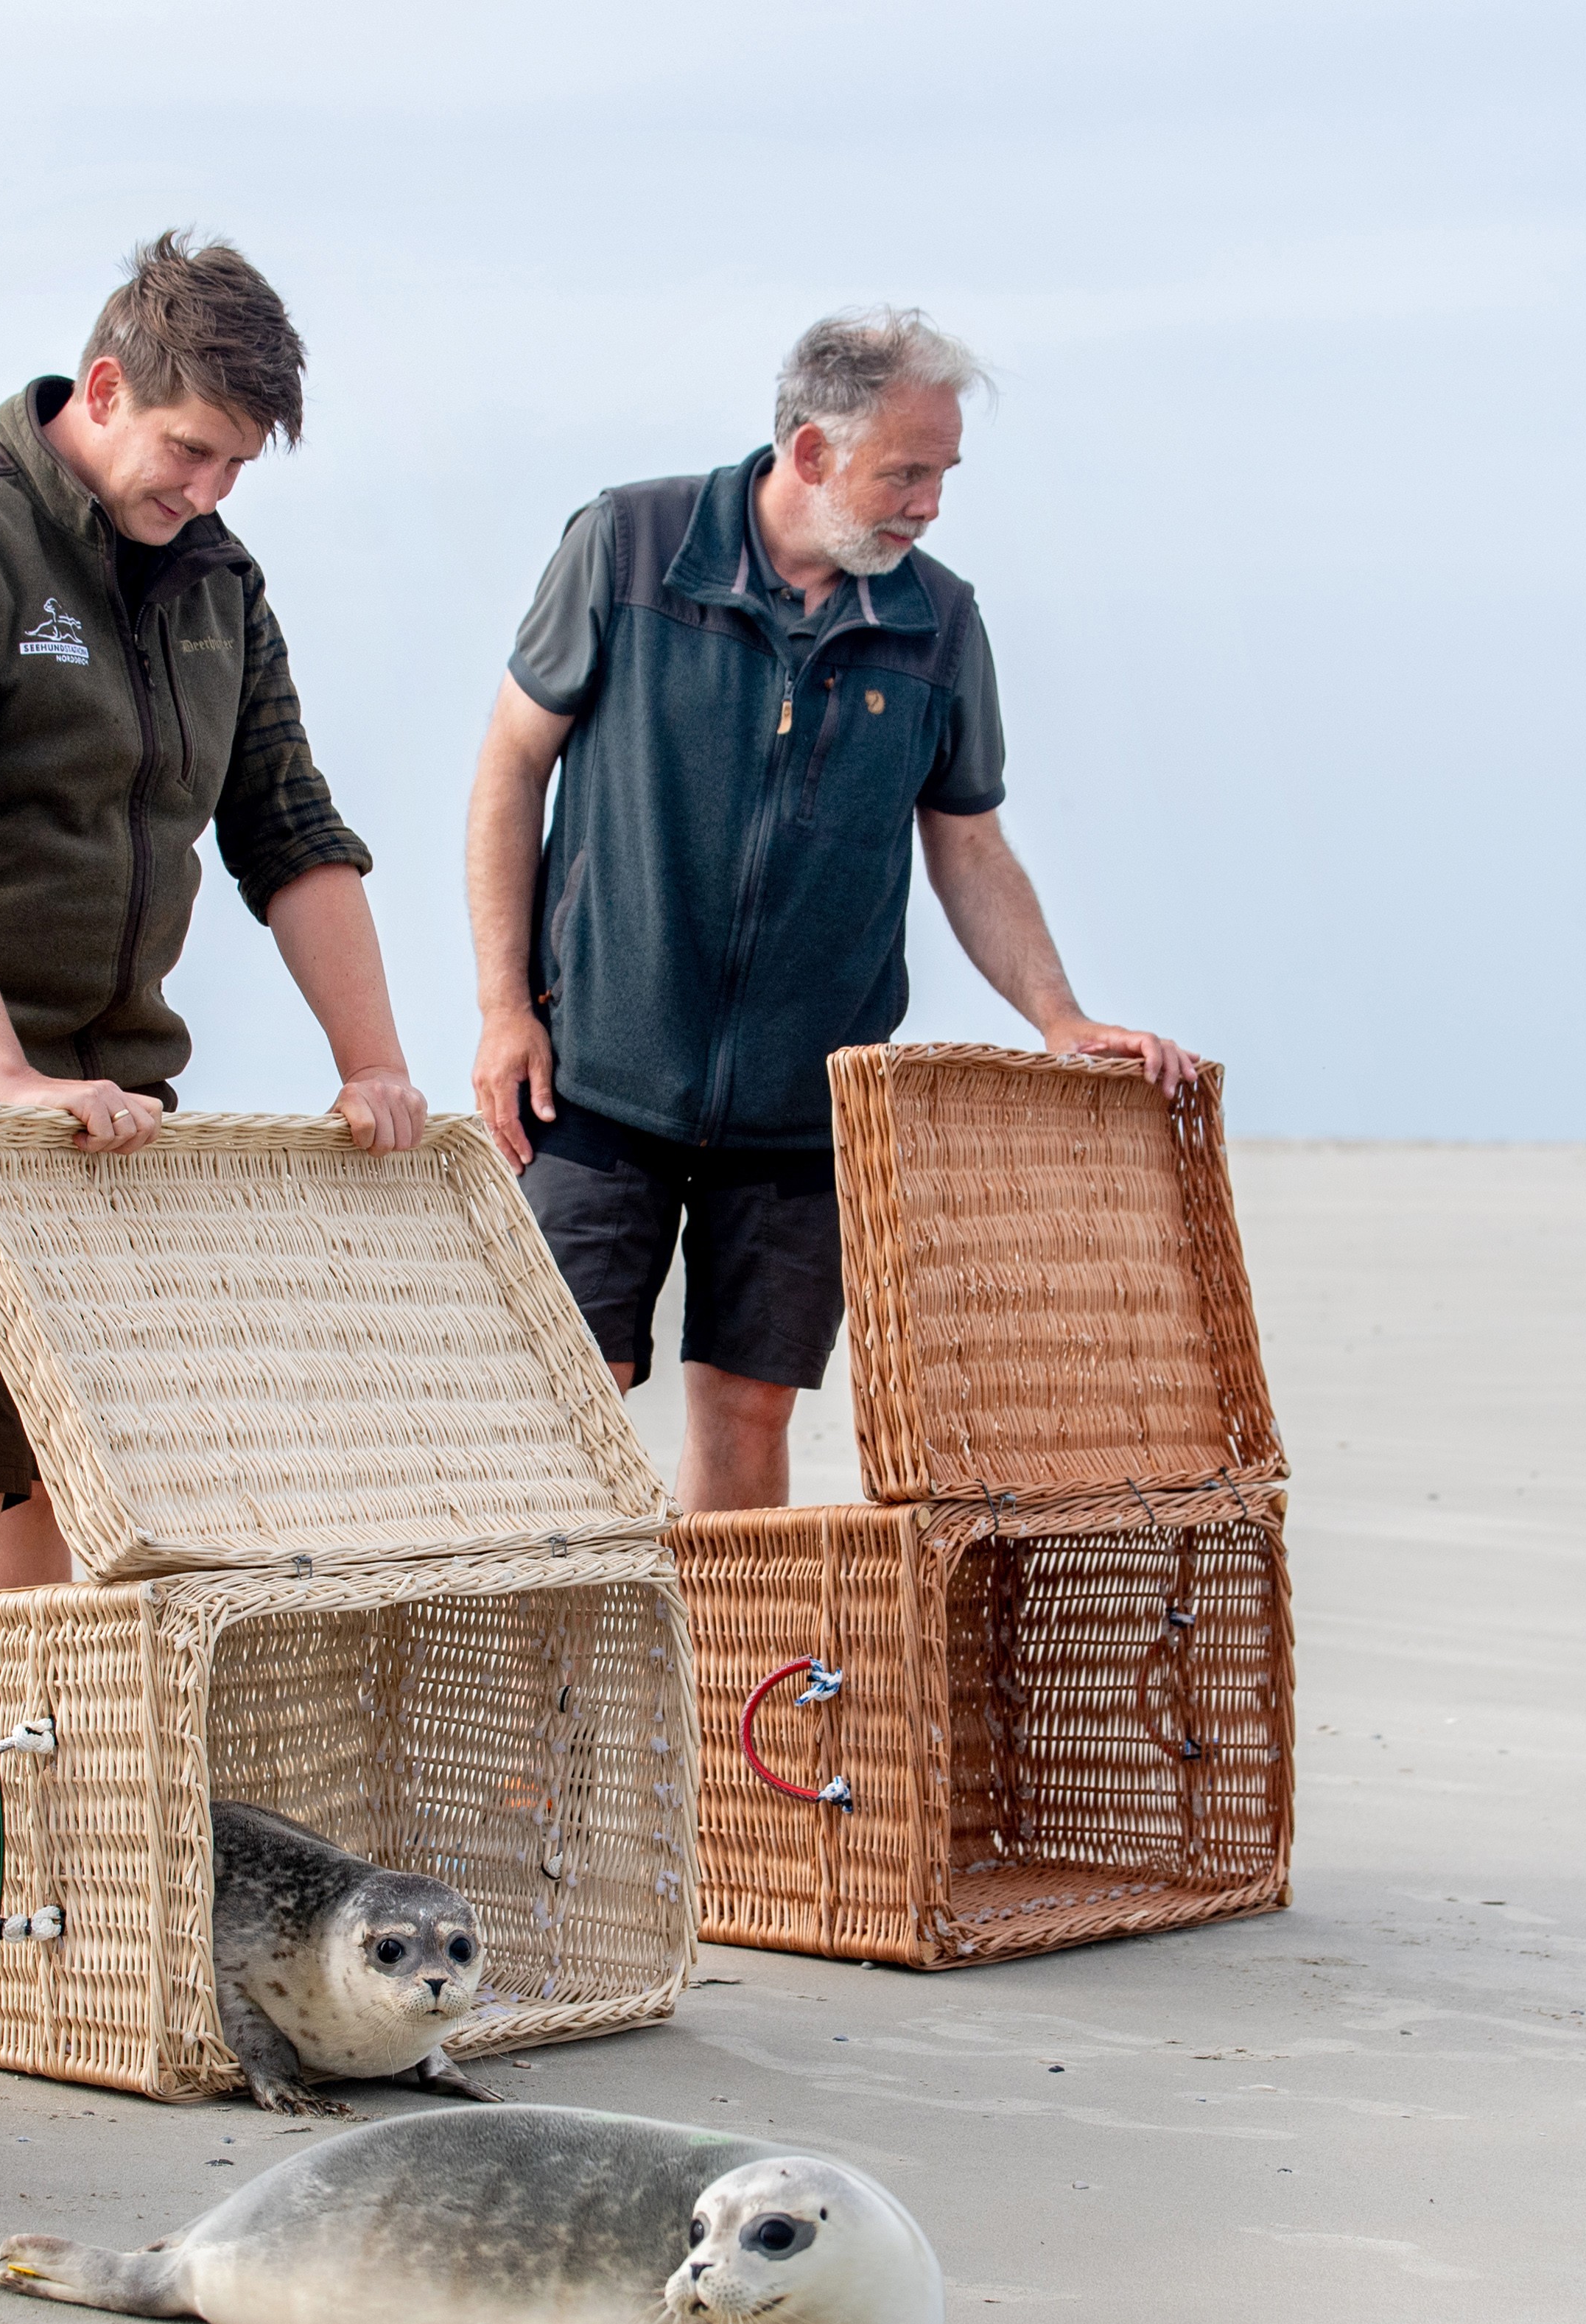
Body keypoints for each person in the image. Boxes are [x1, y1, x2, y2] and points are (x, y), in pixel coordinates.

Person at [0, 231, 424, 1601]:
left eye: (238, 465)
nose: (209, 490)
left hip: (114, 1089)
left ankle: (47, 1810)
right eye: (190, 450)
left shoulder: (217, 583)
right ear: (108, 384)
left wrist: (373, 1062)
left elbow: (290, 830)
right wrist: (5, 1077)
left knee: (77, 1493)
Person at [463, 308, 1185, 1512]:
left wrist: (1059, 1016)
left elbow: (970, 844)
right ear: (809, 452)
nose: (930, 504)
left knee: (747, 1408)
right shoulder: (630, 545)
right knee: (572, 1391)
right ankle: (567, 1693)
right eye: (906, 471)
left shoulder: (940, 623)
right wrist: (502, 1008)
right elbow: (508, 771)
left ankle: (724, 1693)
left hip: (809, 1107)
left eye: (944, 474)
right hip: (592, 1072)